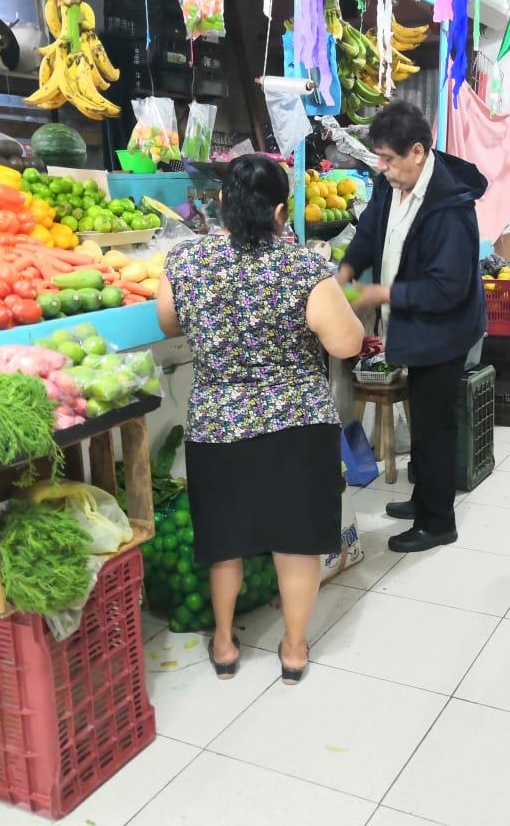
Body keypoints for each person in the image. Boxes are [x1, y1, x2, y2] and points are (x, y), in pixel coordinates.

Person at [158, 154, 364, 685]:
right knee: (296, 538)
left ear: (222, 203)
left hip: (217, 423)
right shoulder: (302, 266)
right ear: (280, 212)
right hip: (296, 424)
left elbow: (167, 322)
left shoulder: (184, 262)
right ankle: (293, 649)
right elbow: (346, 342)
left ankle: (225, 643)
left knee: (223, 538)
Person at [337, 101, 488, 554]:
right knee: (423, 421)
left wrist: (382, 294)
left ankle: (438, 520)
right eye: (379, 158)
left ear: (418, 152)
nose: (382, 168)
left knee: (432, 427)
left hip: (444, 332)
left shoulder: (451, 207)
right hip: (413, 325)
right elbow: (369, 231)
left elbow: (447, 288)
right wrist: (346, 271)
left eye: (389, 159)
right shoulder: (392, 185)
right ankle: (424, 500)